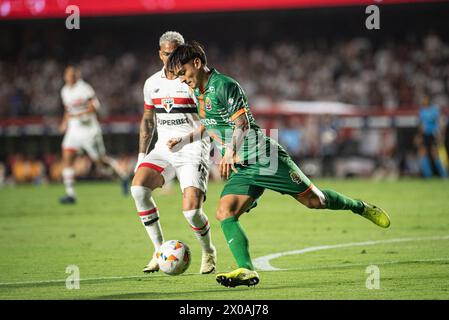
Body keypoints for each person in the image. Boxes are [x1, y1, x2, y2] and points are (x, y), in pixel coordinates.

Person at [166, 42, 391, 288]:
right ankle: (246, 270)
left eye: (182, 72)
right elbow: (209, 123)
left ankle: (360, 207)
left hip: (264, 158)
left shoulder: (225, 85)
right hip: (243, 168)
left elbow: (241, 124)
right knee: (225, 212)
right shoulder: (198, 92)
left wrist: (229, 152)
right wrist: (185, 139)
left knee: (316, 202)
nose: (181, 79)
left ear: (196, 63)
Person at [130, 32, 216, 275]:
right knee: (138, 189)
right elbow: (148, 120)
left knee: (192, 212)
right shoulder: (151, 83)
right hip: (164, 148)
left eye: (177, 53)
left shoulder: (191, 79)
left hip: (192, 147)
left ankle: (208, 251)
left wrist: (189, 139)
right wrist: (140, 157)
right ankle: (160, 252)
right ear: (160, 53)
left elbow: (209, 120)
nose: (172, 59)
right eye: (168, 54)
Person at [59, 65, 130, 204]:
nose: (71, 77)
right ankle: (70, 194)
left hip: (89, 132)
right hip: (73, 131)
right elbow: (68, 110)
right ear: (65, 76)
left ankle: (122, 176)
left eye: (73, 74)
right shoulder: (64, 91)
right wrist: (64, 122)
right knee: (67, 158)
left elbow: (95, 107)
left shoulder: (84, 88)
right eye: (68, 74)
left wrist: (79, 114)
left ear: (77, 75)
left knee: (101, 162)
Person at [417, 95, 447, 178]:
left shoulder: (435, 110)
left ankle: (444, 174)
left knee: (436, 154)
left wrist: (440, 134)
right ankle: (428, 175)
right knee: (423, 153)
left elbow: (440, 122)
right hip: (426, 135)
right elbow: (421, 125)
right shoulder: (422, 111)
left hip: (434, 134)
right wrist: (420, 136)